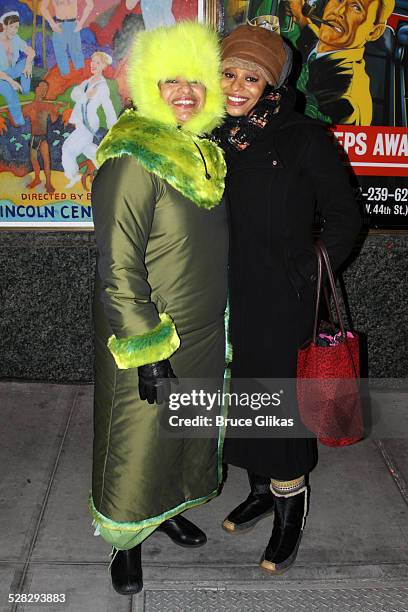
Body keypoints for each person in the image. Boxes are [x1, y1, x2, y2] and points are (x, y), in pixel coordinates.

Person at [212, 24, 361, 574]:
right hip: (225, 295)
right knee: (243, 404)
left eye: (252, 77)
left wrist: (302, 274)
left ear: (272, 83)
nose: (236, 86)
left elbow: (345, 219)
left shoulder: (303, 136)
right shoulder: (213, 136)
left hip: (283, 300)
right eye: (228, 73)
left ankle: (288, 516)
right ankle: (258, 492)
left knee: (280, 412)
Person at [90, 22, 227, 595]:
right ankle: (125, 542)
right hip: (150, 333)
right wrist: (146, 348)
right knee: (137, 441)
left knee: (183, 434)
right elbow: (117, 267)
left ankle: (167, 509)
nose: (186, 92)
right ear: (146, 85)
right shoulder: (132, 156)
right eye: (170, 81)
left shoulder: (201, 153)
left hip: (200, 330)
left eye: (195, 81)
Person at [288, 0, 395, 124]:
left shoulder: (346, 97)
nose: (338, 11)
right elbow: (310, 35)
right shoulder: (327, 46)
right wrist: (300, 15)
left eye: (356, 7)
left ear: (373, 32)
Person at [62, 51, 117, 189]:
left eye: (97, 62)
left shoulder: (102, 87)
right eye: (92, 61)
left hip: (89, 124)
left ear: (104, 66)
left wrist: (113, 126)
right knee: (90, 150)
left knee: (68, 149)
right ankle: (110, 172)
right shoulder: (88, 82)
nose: (93, 65)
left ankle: (72, 175)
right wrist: (85, 95)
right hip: (81, 123)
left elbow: (108, 107)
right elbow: (74, 95)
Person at [22, 80, 62, 193]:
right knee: (34, 160)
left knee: (46, 161)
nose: (44, 91)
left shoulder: (48, 105)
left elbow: (54, 120)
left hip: (43, 137)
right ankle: (37, 179)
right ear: (37, 89)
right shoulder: (29, 106)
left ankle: (48, 183)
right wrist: (12, 111)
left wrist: (56, 109)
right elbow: (20, 118)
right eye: (42, 88)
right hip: (34, 137)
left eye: (46, 89)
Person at [0, 11, 35, 127]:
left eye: (16, 28)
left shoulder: (16, 39)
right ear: (4, 26)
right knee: (11, 93)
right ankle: (20, 123)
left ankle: (24, 90)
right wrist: (11, 82)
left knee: (28, 61)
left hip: (12, 70)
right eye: (11, 27)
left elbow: (31, 52)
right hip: (1, 77)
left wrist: (28, 64)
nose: (14, 31)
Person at [41, 0, 94, 76]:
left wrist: (81, 23)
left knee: (76, 52)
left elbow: (90, 4)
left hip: (73, 25)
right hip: (59, 25)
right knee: (60, 54)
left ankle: (80, 77)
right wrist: (52, 24)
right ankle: (65, 78)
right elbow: (43, 8)